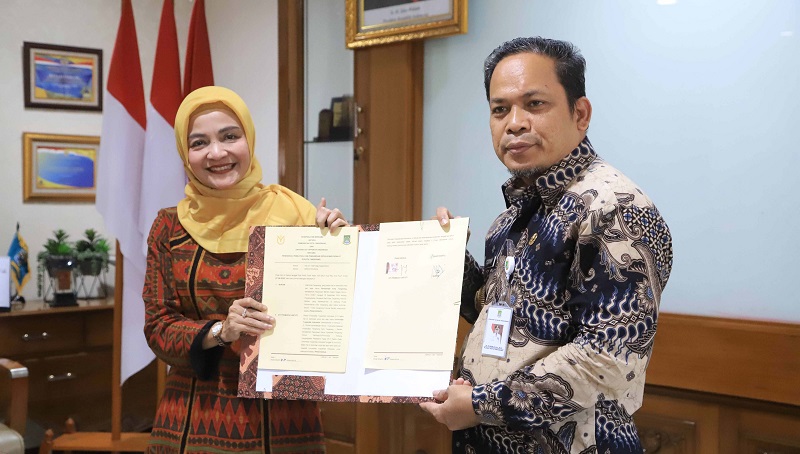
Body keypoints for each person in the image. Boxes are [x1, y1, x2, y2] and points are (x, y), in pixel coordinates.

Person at [419, 37, 673, 453]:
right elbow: (498, 316)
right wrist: (445, 259)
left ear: (580, 113)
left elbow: (606, 359)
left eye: (534, 104)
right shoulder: (515, 215)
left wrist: (480, 404)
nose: (514, 122)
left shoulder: (613, 208)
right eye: (500, 109)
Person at [143, 86, 347, 453]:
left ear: (248, 140)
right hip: (191, 420)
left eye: (230, 136)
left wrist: (341, 247)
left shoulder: (296, 215)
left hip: (286, 421)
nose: (217, 153)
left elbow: (336, 313)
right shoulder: (168, 228)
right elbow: (158, 328)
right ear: (185, 154)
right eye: (199, 143)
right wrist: (221, 330)